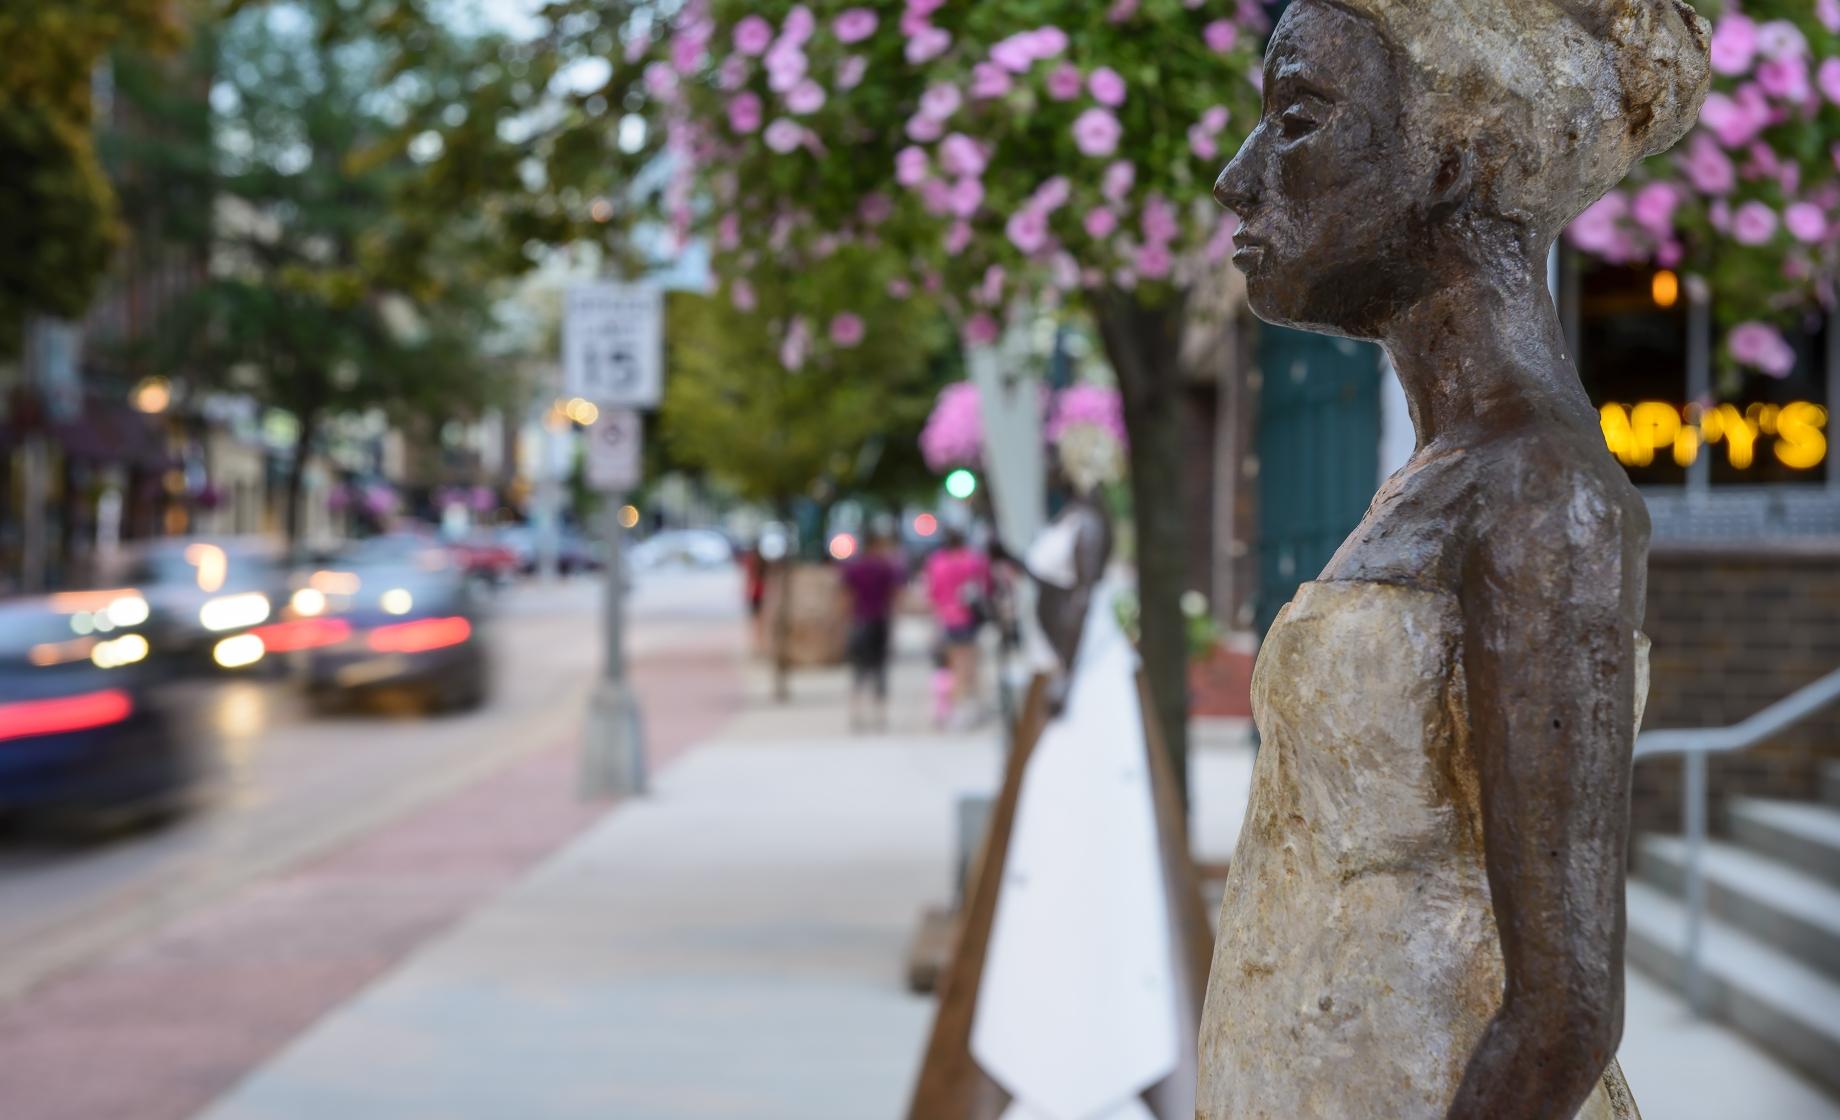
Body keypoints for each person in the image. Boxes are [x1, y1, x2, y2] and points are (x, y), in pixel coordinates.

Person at [1197, 3, 1707, 1119]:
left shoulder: (1540, 488)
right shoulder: (1442, 471)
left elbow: (1565, 1010)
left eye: (1296, 121)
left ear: (1460, 156)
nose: (1237, 179)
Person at [924, 526, 992, 730]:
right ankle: (969, 706)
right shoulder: (973, 560)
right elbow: (986, 586)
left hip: (948, 619)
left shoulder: (937, 562)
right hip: (970, 618)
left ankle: (954, 709)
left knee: (953, 665)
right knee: (970, 663)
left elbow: (932, 592)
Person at [839, 529, 904, 731]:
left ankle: (856, 712)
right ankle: (879, 715)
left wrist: (844, 621)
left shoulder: (854, 568)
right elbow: (895, 596)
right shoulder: (885, 568)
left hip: (860, 620)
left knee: (859, 670)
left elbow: (845, 596)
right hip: (878, 621)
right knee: (879, 669)